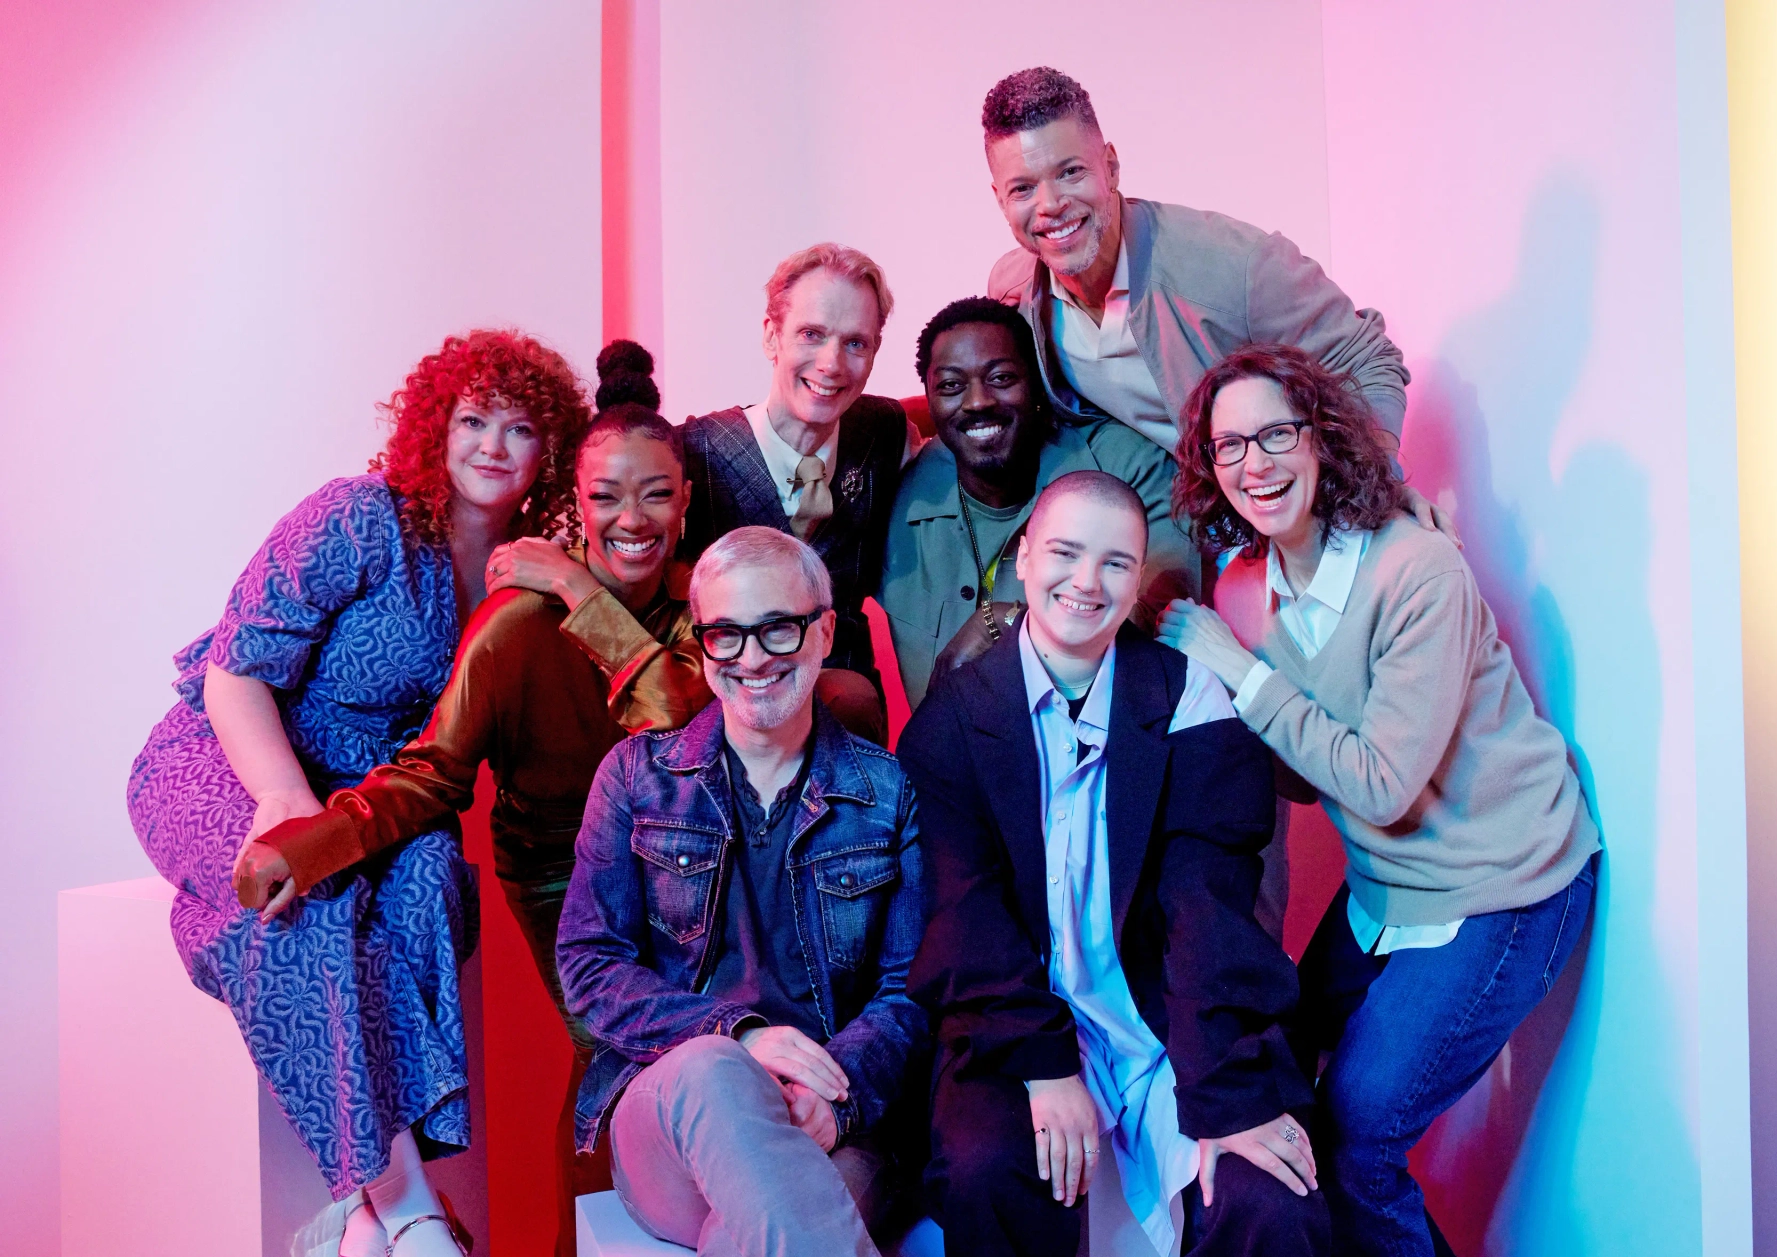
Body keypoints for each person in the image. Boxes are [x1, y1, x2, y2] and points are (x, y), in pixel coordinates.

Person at [127, 330, 592, 1257]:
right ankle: (408, 1203)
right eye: (472, 420)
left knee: (428, 877)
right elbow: (234, 674)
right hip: (227, 759)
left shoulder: (524, 577)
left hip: (374, 801)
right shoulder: (358, 517)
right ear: (434, 427)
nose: (493, 445)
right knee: (314, 892)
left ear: (552, 450)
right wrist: (282, 799)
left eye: (521, 427)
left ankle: (363, 1223)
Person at [248, 341, 707, 1257]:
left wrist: (580, 586)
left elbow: (681, 722)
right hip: (568, 879)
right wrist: (306, 841)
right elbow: (432, 772)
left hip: (703, 870)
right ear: (575, 502)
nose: (632, 516)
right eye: (606, 495)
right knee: (621, 1050)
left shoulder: (704, 600)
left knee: (712, 1058)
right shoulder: (513, 626)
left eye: (656, 492)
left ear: (687, 501)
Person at [1155, 345, 1601, 1256]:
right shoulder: (1254, 584)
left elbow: (1383, 788)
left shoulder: (1416, 570)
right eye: (1230, 445)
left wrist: (1239, 673)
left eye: (1277, 433)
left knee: (1360, 1139)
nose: (1255, 463)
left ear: (1321, 440)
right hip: (1388, 887)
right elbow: (1304, 772)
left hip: (1501, 884)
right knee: (1280, 1067)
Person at [902, 471, 1330, 1257]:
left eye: (1116, 563)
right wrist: (1042, 1062)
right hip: (1019, 1018)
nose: (1086, 582)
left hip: (1161, 1025)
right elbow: (964, 912)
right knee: (987, 1169)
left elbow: (1206, 907)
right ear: (1023, 558)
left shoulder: (1189, 699)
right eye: (1065, 552)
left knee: (1272, 1200)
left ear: (1139, 581)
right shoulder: (952, 719)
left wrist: (1222, 1094)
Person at [558, 526, 927, 1256]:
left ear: (823, 632)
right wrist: (742, 1035)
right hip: (670, 1123)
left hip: (830, 1119)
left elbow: (910, 988)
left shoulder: (888, 793)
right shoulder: (635, 776)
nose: (752, 658)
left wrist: (837, 1089)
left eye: (778, 629)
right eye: (727, 635)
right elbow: (590, 964)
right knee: (713, 1065)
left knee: (769, 1230)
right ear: (702, 646)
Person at [978, 66, 1455, 543]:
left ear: (1111, 167)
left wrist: (1375, 485)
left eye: (1070, 172)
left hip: (1286, 514)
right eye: (1023, 188)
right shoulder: (1015, 290)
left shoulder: (1236, 265)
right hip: (1173, 527)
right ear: (1000, 200)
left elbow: (1368, 360)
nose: (1050, 204)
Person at [879, 296, 1198, 710]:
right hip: (941, 766)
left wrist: (1007, 620)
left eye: (1001, 378)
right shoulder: (902, 489)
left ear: (1038, 386)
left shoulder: (1126, 467)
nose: (977, 402)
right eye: (951, 386)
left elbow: (1153, 616)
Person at [678, 243, 910, 740]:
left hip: (849, 709)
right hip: (733, 700)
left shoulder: (883, 431)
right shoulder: (697, 451)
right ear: (771, 336)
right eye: (811, 334)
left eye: (856, 343)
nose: (832, 364)